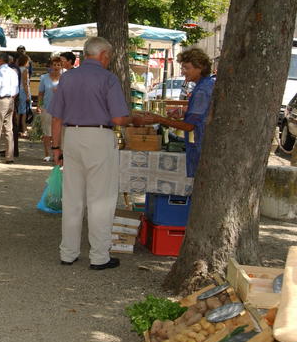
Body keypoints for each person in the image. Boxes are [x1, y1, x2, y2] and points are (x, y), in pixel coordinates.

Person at [48, 36, 138, 270]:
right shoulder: (108, 78)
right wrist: (133, 119)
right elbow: (119, 118)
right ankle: (99, 256)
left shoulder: (67, 78)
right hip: (99, 136)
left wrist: (56, 147)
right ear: (104, 55)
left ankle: (68, 252)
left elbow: (56, 118)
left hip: (72, 137)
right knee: (101, 199)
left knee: (73, 199)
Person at [135, 48, 215, 178]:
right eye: (182, 68)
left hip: (200, 145)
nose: (183, 72)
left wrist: (160, 119)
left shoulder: (202, 90)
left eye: (186, 68)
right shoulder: (205, 85)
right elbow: (203, 114)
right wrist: (185, 112)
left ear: (200, 67)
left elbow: (189, 126)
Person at [38, 56, 63, 162]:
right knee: (47, 132)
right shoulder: (44, 78)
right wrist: (39, 106)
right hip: (47, 108)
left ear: (61, 66)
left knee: (59, 133)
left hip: (61, 109)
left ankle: (57, 154)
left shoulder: (65, 78)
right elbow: (40, 94)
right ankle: (47, 154)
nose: (56, 67)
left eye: (58, 65)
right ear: (51, 66)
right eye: (54, 64)